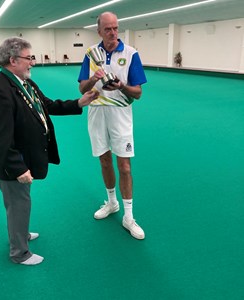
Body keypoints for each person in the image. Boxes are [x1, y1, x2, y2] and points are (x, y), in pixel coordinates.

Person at [0, 37, 98, 265]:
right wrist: (18, 167)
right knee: (18, 204)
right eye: (29, 58)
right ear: (13, 60)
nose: (32, 63)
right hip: (10, 163)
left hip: (22, 157)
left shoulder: (26, 83)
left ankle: (20, 235)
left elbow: (48, 105)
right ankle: (20, 253)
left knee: (19, 202)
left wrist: (79, 103)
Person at [78, 12, 147, 240]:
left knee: (125, 166)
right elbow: (81, 88)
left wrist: (122, 86)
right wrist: (94, 79)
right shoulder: (91, 53)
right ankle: (112, 202)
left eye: (116, 28)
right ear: (99, 31)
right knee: (104, 160)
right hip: (96, 113)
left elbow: (138, 93)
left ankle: (129, 216)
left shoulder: (130, 54)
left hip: (120, 115)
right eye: (108, 29)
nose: (113, 33)